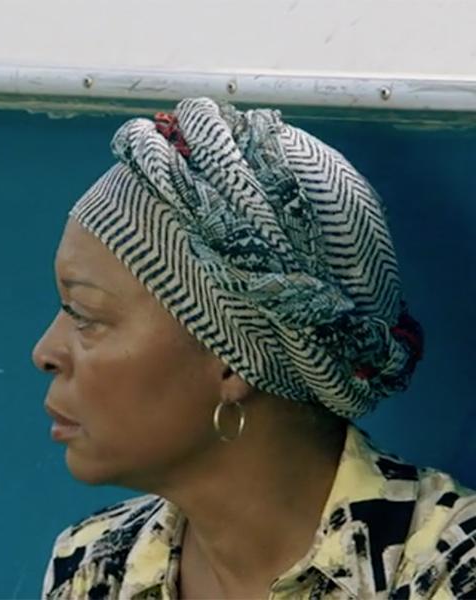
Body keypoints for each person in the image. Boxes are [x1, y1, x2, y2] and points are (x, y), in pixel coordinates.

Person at [32, 97, 475, 599]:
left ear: (230, 360)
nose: (45, 352)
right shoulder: (94, 565)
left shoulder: (447, 572)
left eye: (86, 316)